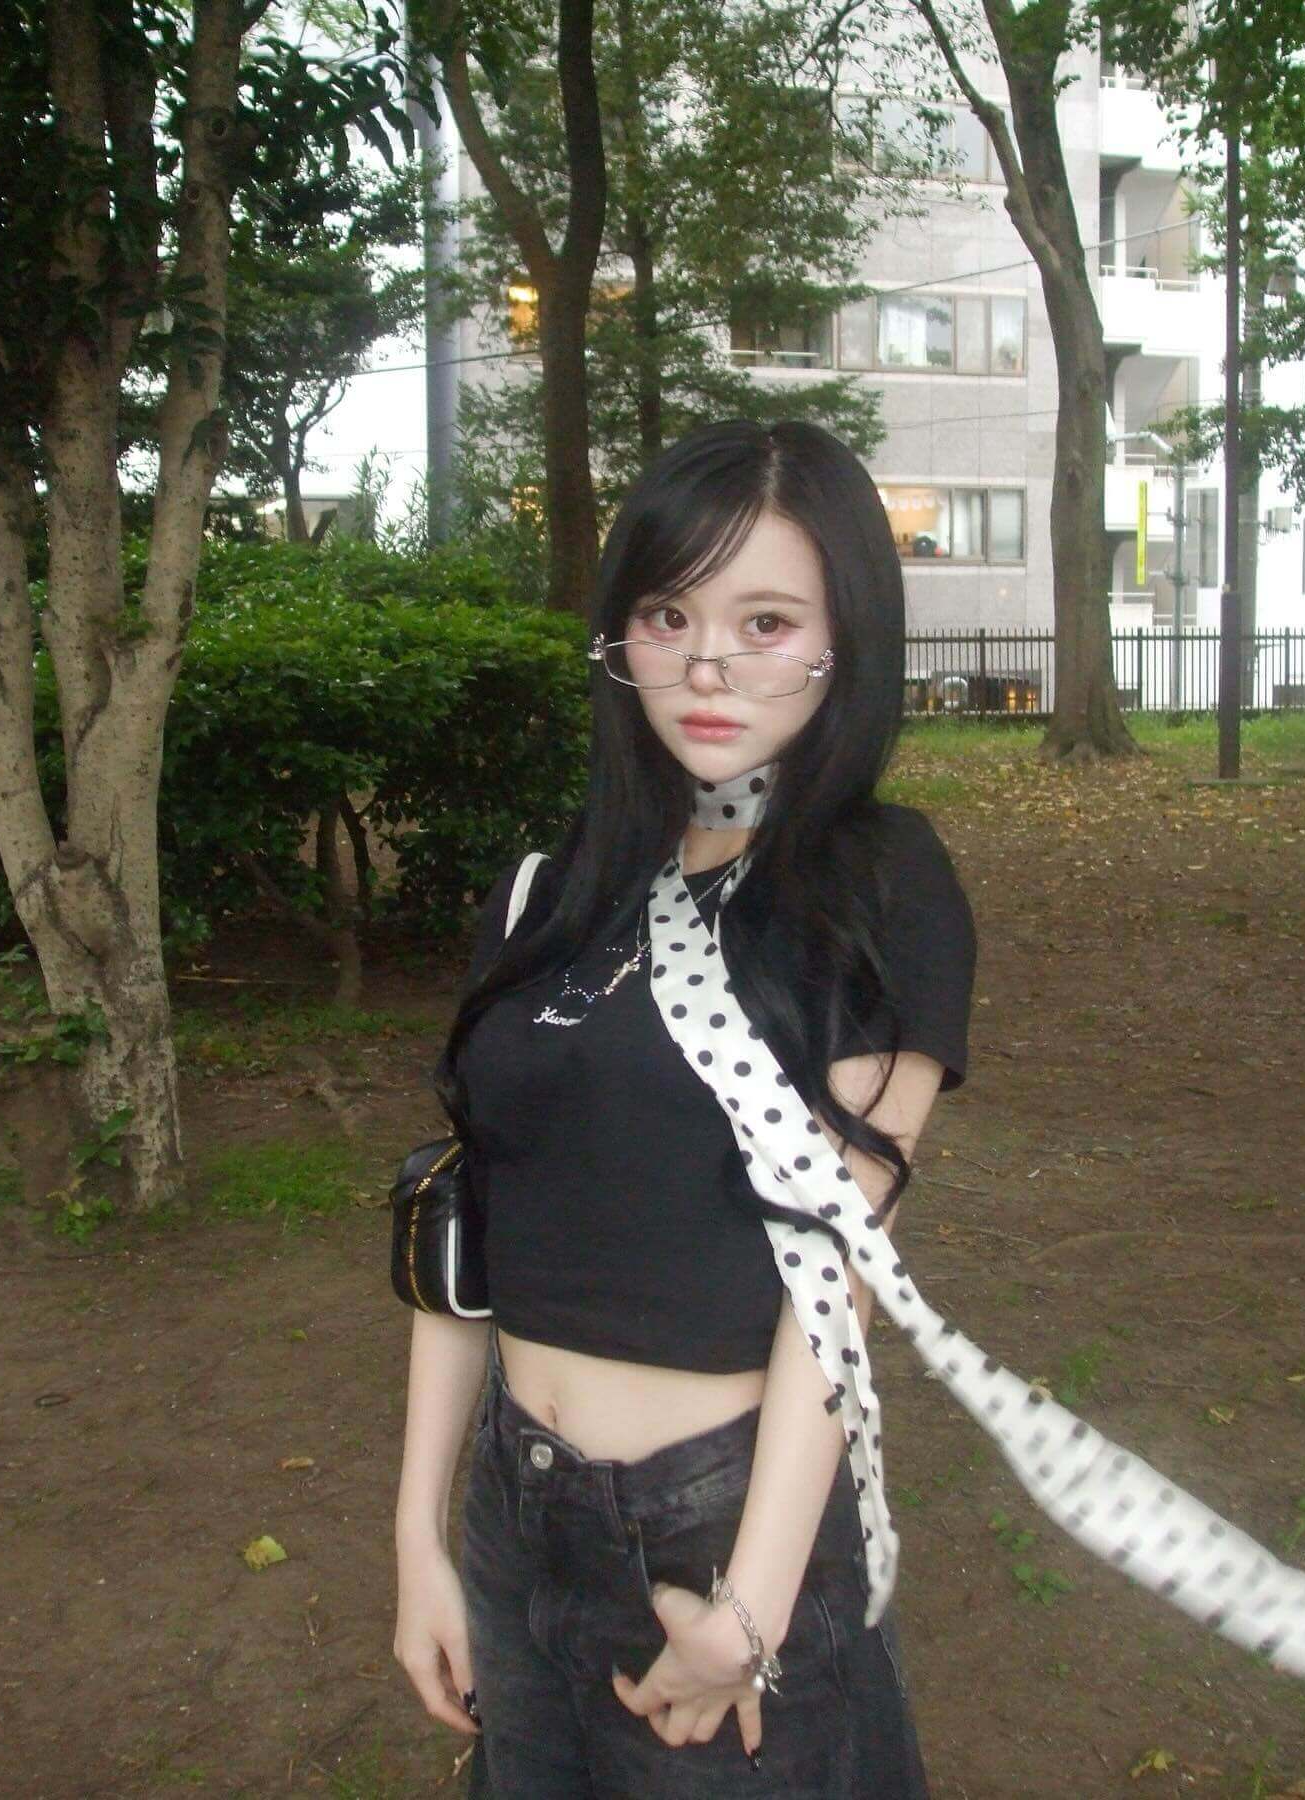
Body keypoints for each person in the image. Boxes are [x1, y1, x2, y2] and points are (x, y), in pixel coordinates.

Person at [393, 418, 978, 1797]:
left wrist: (752, 1608)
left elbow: (834, 1279)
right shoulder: (547, 891)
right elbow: (468, 1225)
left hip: (713, 1528)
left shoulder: (875, 887)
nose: (708, 666)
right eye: (669, 615)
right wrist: (419, 1536)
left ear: (845, 641)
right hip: (512, 1507)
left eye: (766, 622)